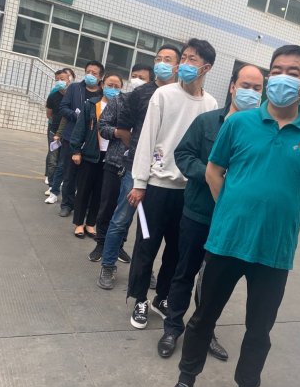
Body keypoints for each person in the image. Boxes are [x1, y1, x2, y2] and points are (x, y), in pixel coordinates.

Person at [159, 45, 300, 387]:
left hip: (274, 253)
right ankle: (185, 381)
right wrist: (232, 209)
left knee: (259, 331)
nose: (283, 77)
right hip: (226, 242)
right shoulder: (238, 124)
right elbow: (214, 170)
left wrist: (282, 219)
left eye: (293, 72)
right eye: (277, 70)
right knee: (203, 318)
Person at [158, 64, 265, 361]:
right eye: (245, 85)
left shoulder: (263, 133)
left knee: (214, 284)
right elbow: (182, 154)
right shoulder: (207, 122)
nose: (251, 92)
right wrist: (209, 174)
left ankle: (205, 332)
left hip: (233, 223)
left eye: (257, 88)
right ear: (232, 87)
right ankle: (172, 327)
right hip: (199, 213)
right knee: (184, 273)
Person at [127, 38, 218, 329]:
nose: (185, 64)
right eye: (184, 58)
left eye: (193, 59)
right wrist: (140, 182)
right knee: (146, 246)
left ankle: (162, 297)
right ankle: (140, 298)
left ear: (206, 67)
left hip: (189, 191)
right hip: (156, 186)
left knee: (177, 251)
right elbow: (147, 137)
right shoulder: (164, 94)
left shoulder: (210, 104)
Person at [97, 45, 181, 288]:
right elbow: (124, 130)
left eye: (168, 59)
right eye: (159, 58)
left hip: (164, 172)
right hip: (135, 168)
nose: (162, 63)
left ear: (177, 66)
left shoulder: (180, 95)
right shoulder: (140, 94)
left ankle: (144, 270)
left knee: (152, 227)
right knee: (121, 219)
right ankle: (108, 265)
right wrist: (139, 153)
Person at [70, 74, 123, 238]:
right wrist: (76, 150)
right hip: (91, 154)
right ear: (102, 85)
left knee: (100, 193)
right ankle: (79, 223)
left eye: (117, 86)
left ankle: (91, 223)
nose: (113, 89)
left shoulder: (123, 107)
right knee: (84, 190)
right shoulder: (91, 104)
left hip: (111, 157)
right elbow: (80, 128)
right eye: (110, 85)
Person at [87, 82, 130, 263]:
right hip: (113, 162)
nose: (138, 81)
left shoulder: (153, 102)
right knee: (106, 205)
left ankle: (118, 245)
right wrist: (118, 132)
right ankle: (101, 243)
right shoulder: (120, 101)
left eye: (143, 78)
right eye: (135, 77)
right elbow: (102, 126)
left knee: (126, 211)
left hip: (136, 167)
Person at [58, 61, 104, 217]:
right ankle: (67, 204)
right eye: (88, 71)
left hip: (92, 142)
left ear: (100, 77)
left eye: (94, 73)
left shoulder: (103, 94)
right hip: (71, 138)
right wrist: (78, 116)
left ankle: (84, 206)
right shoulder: (74, 88)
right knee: (69, 175)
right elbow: (63, 107)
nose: (90, 75)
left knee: (88, 177)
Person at [44, 69, 70, 197]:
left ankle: (60, 184)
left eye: (62, 79)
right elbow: (49, 114)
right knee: (52, 160)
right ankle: (51, 185)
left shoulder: (72, 95)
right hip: (54, 131)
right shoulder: (53, 96)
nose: (60, 81)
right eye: (57, 79)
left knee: (63, 160)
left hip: (67, 133)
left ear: (69, 80)